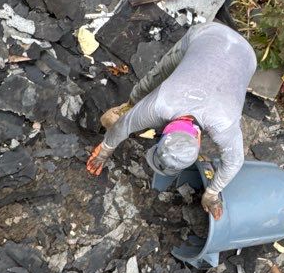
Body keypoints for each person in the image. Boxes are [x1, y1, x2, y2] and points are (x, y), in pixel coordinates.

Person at [87, 21, 256, 219]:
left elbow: (235, 162)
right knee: (151, 82)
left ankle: (135, 104)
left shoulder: (225, 123)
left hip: (243, 56)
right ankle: (130, 104)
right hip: (208, 38)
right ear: (197, 139)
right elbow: (123, 124)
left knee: (158, 84)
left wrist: (212, 193)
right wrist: (105, 149)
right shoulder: (159, 105)